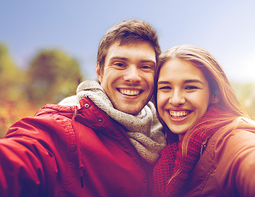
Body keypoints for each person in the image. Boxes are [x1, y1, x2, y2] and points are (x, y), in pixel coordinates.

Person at [0, 20, 166, 197]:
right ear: (99, 72)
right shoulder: (66, 129)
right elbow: (19, 159)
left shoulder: (167, 131)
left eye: (145, 67)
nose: (133, 77)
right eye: (119, 64)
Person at [152, 44, 255, 197]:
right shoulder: (166, 149)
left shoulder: (232, 138)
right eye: (165, 87)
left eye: (190, 87)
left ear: (215, 94)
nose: (176, 100)